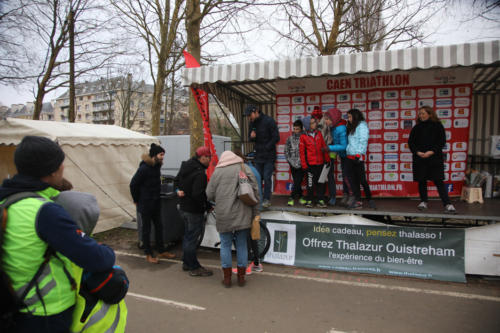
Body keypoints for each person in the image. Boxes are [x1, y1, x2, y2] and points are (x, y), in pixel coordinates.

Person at [0, 135, 116, 333]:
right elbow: (95, 259)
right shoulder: (44, 211)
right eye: (62, 163)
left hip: (13, 304)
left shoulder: (6, 201)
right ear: (51, 171)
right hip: (46, 312)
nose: (64, 167)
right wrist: (107, 251)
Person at [206, 151, 260, 287]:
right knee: (241, 244)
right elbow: (255, 189)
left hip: (224, 214)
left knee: (225, 244)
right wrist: (256, 211)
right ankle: (241, 277)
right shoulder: (244, 168)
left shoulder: (217, 172)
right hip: (243, 213)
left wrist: (219, 198)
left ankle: (227, 278)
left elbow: (209, 194)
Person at [130, 143, 175, 264]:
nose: (162, 157)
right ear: (154, 155)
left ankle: (161, 250)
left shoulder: (156, 167)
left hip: (156, 202)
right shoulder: (144, 168)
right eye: (161, 154)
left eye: (163, 155)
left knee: (159, 226)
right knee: (146, 229)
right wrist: (136, 199)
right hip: (145, 203)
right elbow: (133, 184)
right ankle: (148, 253)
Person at [408, 106, 456, 213]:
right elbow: (411, 142)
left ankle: (447, 204)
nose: (421, 115)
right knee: (421, 181)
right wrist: (417, 152)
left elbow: (441, 141)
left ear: (430, 114)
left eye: (423, 113)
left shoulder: (438, 126)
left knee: (439, 181)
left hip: (434, 158)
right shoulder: (416, 127)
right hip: (420, 158)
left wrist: (431, 151)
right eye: (420, 114)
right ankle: (423, 202)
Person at [175, 146, 213, 277]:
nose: (210, 161)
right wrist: (207, 205)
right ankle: (194, 266)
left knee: (187, 236)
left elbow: (175, 182)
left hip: (183, 208)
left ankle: (186, 262)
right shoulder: (200, 174)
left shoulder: (185, 167)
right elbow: (198, 194)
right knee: (192, 239)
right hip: (193, 211)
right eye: (209, 158)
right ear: (202, 158)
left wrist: (177, 191)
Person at [233, 150, 264, 275]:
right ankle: (256, 263)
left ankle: (246, 265)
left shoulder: (244, 171)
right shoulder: (251, 169)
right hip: (254, 206)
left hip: (248, 207)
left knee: (245, 238)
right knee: (251, 237)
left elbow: (248, 191)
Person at [244, 104, 280, 208]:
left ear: (255, 112)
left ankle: (267, 199)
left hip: (269, 155)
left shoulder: (269, 121)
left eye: (249, 115)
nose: (249, 118)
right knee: (257, 177)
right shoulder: (252, 123)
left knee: (267, 177)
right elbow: (250, 138)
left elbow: (276, 138)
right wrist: (251, 137)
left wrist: (267, 147)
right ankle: (258, 197)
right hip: (258, 155)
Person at [345, 109, 376, 210]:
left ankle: (370, 199)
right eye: (348, 117)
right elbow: (351, 142)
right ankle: (358, 201)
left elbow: (363, 140)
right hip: (349, 157)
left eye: (350, 117)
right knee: (353, 181)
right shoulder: (351, 126)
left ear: (355, 116)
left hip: (357, 157)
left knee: (362, 180)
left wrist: (358, 154)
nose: (348, 119)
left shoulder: (362, 126)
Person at [299, 116, 330, 208]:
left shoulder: (319, 133)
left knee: (321, 183)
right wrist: (304, 165)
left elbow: (323, 147)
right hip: (310, 165)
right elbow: (301, 152)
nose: (315, 124)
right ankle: (309, 200)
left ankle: (320, 200)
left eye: (314, 122)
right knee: (310, 184)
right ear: (308, 125)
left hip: (320, 163)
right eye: (312, 123)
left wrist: (327, 160)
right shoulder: (303, 137)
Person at [323, 108, 351, 206]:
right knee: (344, 175)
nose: (326, 121)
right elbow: (335, 141)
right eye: (325, 119)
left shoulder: (341, 128)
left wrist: (329, 147)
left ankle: (351, 197)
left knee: (347, 176)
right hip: (342, 155)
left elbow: (344, 146)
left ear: (334, 118)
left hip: (348, 156)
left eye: (327, 119)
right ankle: (346, 195)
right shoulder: (333, 126)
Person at [285, 119, 305, 207]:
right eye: (294, 128)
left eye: (297, 129)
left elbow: (307, 150)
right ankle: (300, 196)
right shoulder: (290, 138)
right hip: (292, 164)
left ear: (301, 129)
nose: (295, 130)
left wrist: (304, 161)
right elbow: (286, 150)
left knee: (298, 181)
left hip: (302, 164)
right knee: (297, 181)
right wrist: (290, 161)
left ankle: (292, 197)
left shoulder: (305, 137)